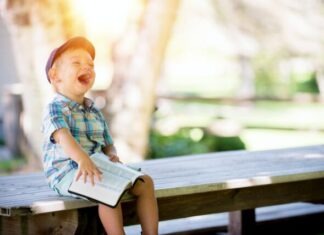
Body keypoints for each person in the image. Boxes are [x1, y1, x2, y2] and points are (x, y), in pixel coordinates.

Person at [42, 36, 159, 235]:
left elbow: (107, 142)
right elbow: (63, 137)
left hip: (97, 166)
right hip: (67, 172)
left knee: (145, 183)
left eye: (90, 64)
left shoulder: (93, 109)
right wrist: (83, 159)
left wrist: (112, 154)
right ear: (55, 76)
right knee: (108, 191)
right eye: (77, 63)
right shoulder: (55, 107)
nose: (86, 67)